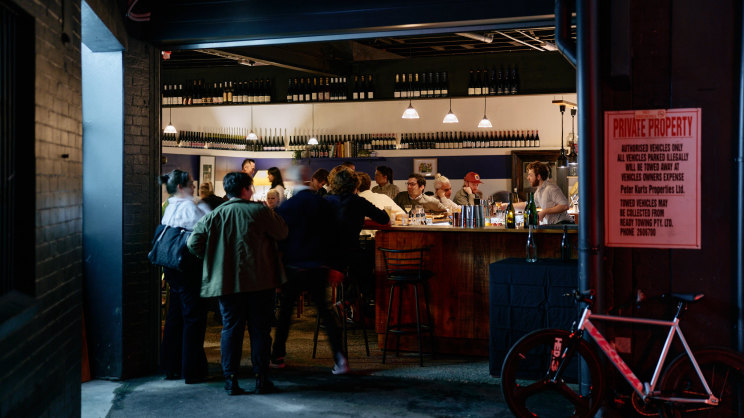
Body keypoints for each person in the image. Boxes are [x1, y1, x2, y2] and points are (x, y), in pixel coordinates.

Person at [187, 172, 288, 395]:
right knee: (260, 330)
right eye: (251, 187)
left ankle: (230, 379)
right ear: (245, 189)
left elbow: (193, 243)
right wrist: (270, 212)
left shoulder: (215, 214)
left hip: (226, 282)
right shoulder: (260, 211)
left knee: (230, 329)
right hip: (260, 281)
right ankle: (261, 378)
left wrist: (213, 257)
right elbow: (282, 232)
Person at [269, 172, 347, 374]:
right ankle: (340, 358)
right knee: (326, 313)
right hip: (318, 265)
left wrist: (277, 270)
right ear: (310, 182)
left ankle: (277, 356)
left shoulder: (286, 206)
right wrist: (336, 266)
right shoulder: (323, 204)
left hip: (293, 266)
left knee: (285, 313)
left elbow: (279, 240)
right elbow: (335, 237)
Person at [158, 169, 209, 384]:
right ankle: (192, 370)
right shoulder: (190, 207)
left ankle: (171, 366)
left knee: (175, 315)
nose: (194, 184)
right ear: (180, 186)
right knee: (193, 318)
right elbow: (203, 232)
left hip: (171, 268)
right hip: (188, 268)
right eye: (190, 182)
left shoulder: (170, 206)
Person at [325, 168, 390, 298]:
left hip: (326, 256)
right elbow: (384, 219)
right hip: (350, 253)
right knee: (370, 261)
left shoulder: (325, 200)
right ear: (356, 185)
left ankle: (346, 301)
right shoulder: (358, 201)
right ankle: (360, 301)